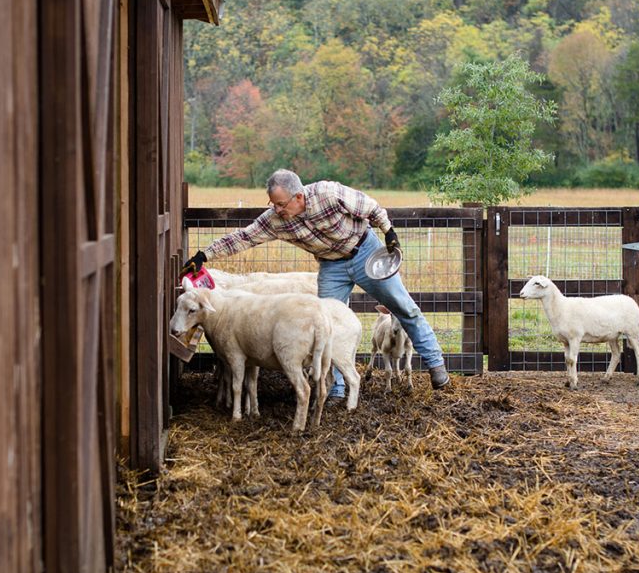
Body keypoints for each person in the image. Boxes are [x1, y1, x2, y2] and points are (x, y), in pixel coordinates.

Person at [181, 169, 450, 401]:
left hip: (365, 252)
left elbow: (372, 208)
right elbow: (243, 237)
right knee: (325, 321)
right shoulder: (276, 220)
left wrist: (389, 232)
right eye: (272, 204)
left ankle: (436, 365)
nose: (277, 210)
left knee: (404, 307)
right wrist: (205, 255)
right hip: (331, 266)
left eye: (281, 204)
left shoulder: (329, 194)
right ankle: (336, 389)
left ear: (299, 196)